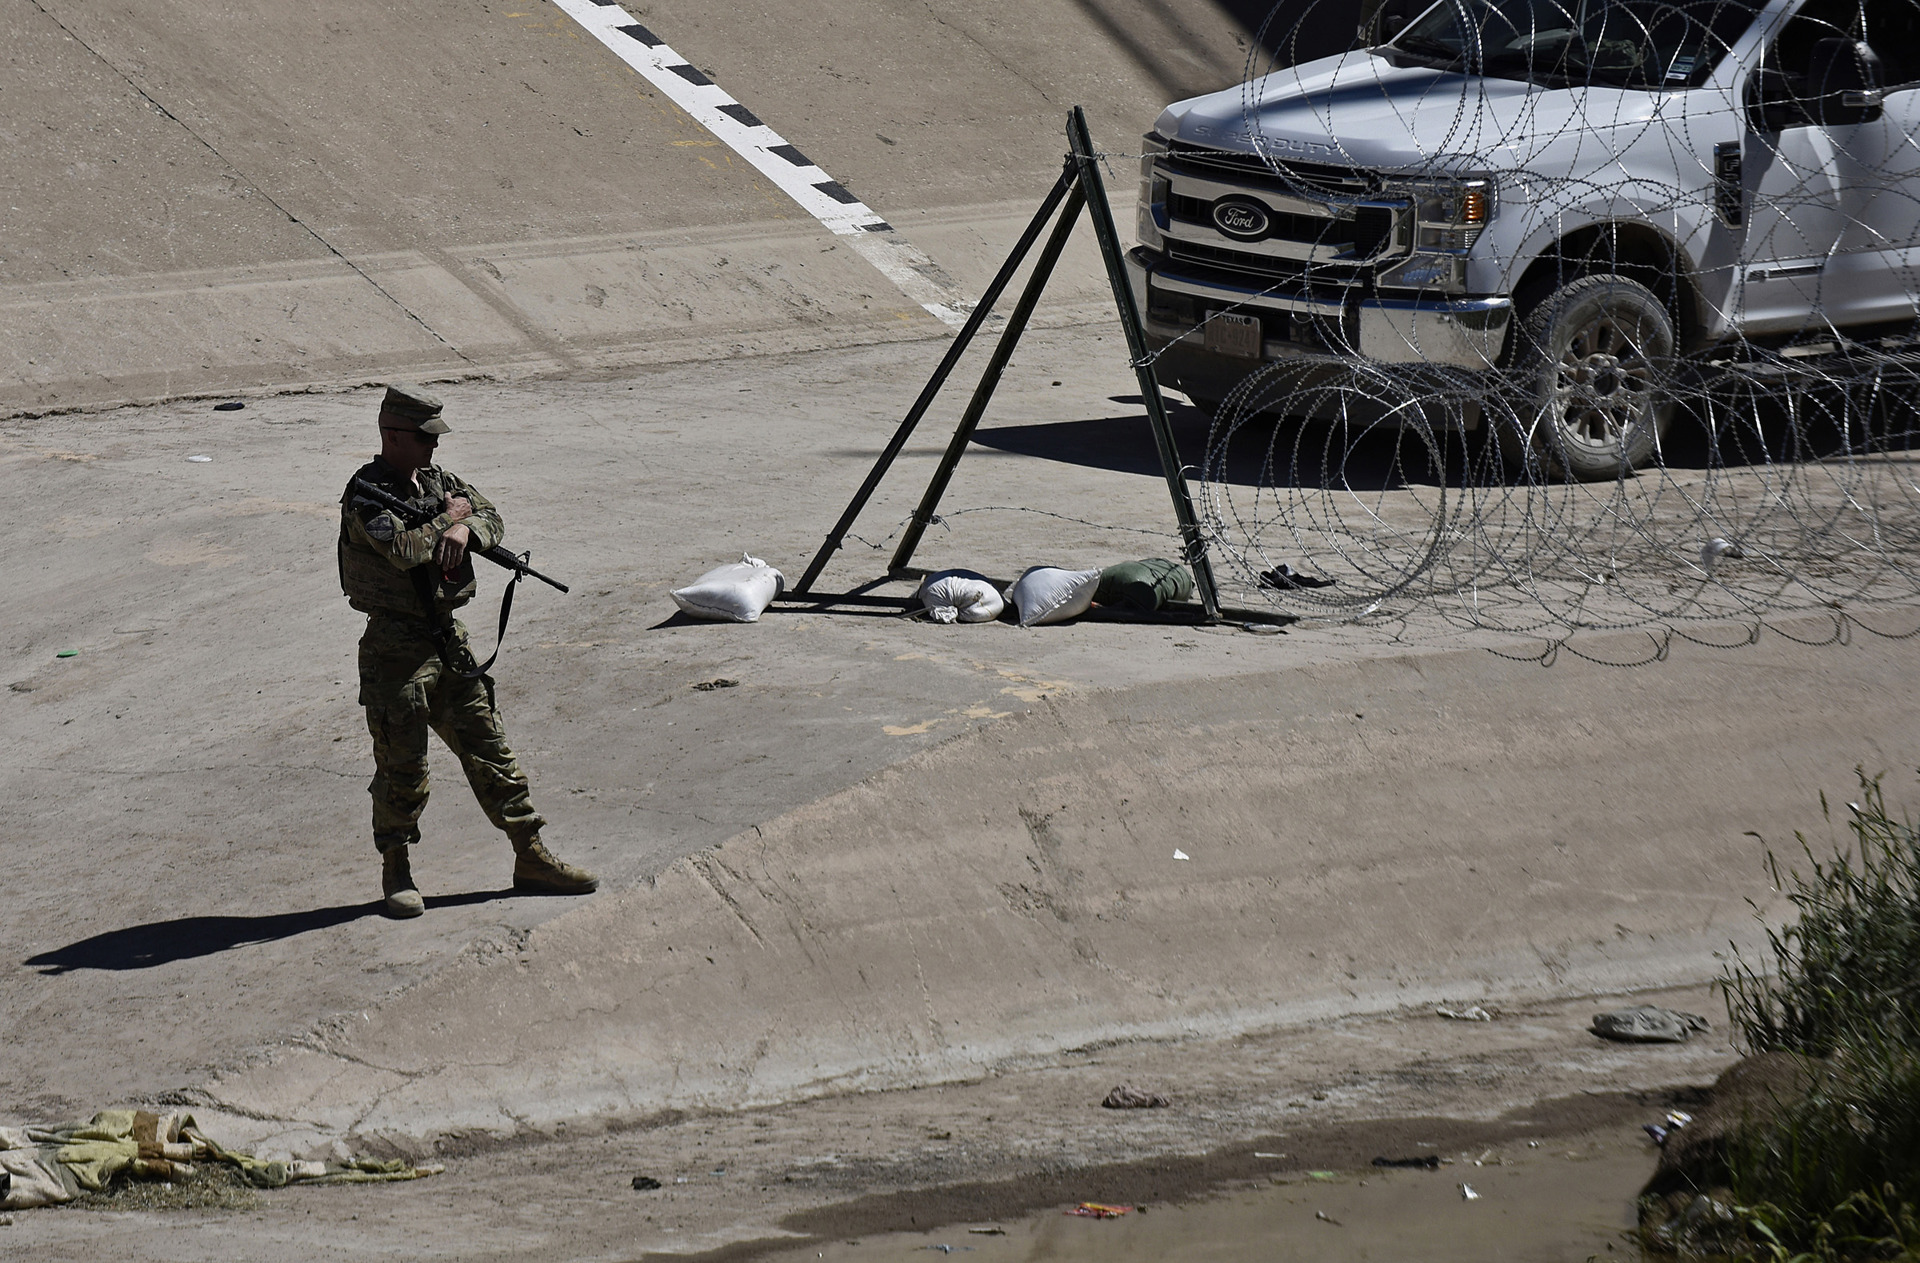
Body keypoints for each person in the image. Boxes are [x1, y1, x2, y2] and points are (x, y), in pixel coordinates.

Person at [337, 383, 597, 917]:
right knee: (401, 768)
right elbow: (405, 551)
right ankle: (397, 868)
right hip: (396, 648)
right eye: (424, 438)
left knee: (491, 749)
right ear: (392, 435)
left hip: (446, 638)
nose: (434, 448)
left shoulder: (438, 481)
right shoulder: (365, 491)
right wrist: (448, 522)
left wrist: (466, 528)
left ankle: (530, 854)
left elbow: (490, 514)